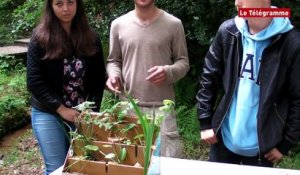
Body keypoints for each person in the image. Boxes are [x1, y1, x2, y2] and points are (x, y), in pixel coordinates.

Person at [196, 0, 300, 167]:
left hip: (263, 148)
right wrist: (205, 122)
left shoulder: (291, 43)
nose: (238, 2)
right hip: (223, 141)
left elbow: (298, 98)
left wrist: (285, 144)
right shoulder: (229, 31)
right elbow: (209, 77)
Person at [26, 0, 106, 174]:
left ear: (78, 5)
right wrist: (61, 109)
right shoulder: (40, 37)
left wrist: (91, 112)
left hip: (82, 113)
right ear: (51, 6)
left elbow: (99, 79)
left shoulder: (91, 37)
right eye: (59, 3)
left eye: (70, 2)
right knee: (57, 169)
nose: (65, 9)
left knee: (85, 165)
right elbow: (34, 81)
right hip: (48, 111)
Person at [106, 0, 189, 158]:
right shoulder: (118, 24)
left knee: (165, 166)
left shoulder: (173, 24)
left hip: (162, 110)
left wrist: (168, 71)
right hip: (128, 107)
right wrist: (113, 74)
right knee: (130, 164)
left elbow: (183, 62)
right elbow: (113, 61)